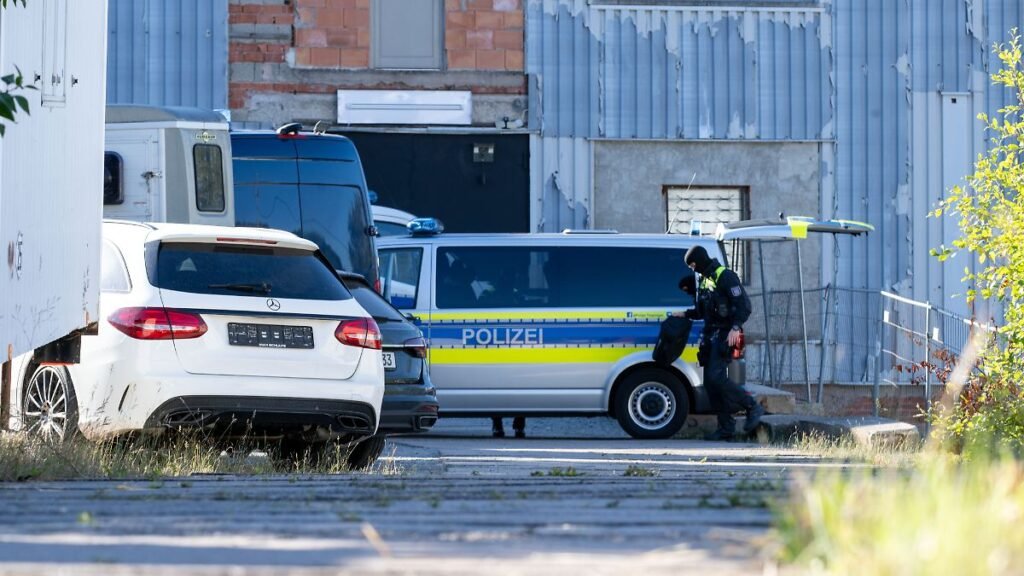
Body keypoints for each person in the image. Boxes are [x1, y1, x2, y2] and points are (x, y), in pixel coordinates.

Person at [676, 246, 764, 441]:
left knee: (716, 378)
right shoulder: (705, 280)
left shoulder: (725, 276)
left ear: (699, 261)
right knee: (710, 384)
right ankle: (726, 428)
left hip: (726, 334)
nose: (692, 269)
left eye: (693, 264)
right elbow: (702, 310)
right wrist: (685, 314)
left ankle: (752, 406)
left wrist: (735, 328)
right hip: (710, 336)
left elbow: (744, 306)